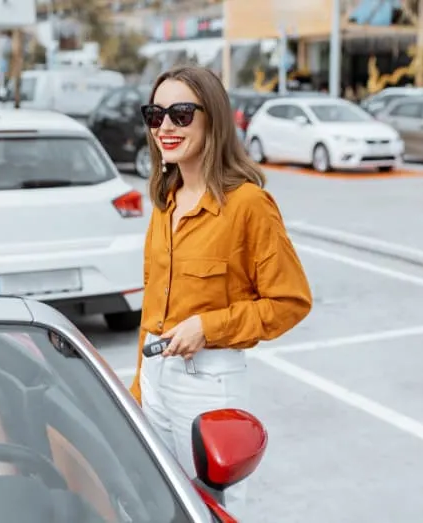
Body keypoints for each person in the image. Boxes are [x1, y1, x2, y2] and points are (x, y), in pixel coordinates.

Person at [129, 66, 313, 518]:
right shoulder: (165, 200)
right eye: (156, 115)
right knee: (158, 503)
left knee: (214, 511)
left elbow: (290, 301)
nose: (166, 128)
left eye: (181, 113)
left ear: (213, 118)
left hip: (208, 385)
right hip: (155, 380)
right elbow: (152, 304)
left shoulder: (248, 205)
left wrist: (208, 327)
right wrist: (137, 389)